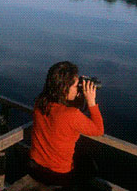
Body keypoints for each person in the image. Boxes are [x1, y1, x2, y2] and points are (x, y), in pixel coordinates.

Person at [29, 61, 104, 189]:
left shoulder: (40, 102)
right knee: (90, 165)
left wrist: (78, 94)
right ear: (64, 88)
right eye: (76, 86)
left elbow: (60, 114)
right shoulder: (71, 115)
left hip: (34, 167)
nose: (79, 88)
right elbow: (98, 130)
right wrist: (91, 101)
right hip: (58, 175)